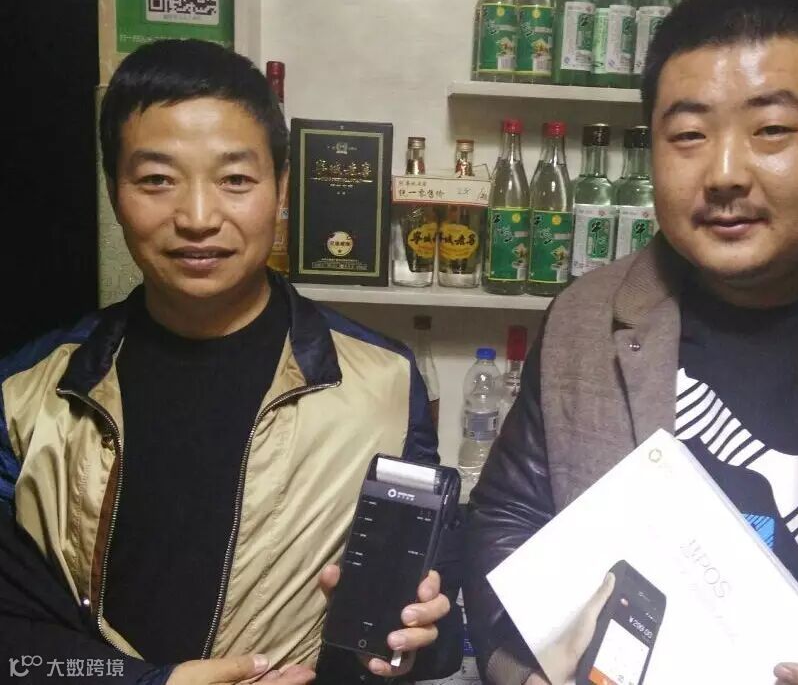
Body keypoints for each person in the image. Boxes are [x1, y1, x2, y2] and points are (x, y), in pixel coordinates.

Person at [464, 0, 798, 685]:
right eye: (688, 135)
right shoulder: (586, 318)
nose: (724, 174)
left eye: (772, 129)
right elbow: (506, 519)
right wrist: (527, 670)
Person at [0, 39, 460, 685]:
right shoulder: (29, 393)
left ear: (280, 189)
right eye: (156, 180)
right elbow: (15, 640)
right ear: (113, 192)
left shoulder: (381, 382)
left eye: (235, 180)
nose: (197, 217)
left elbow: (436, 628)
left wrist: (409, 641)